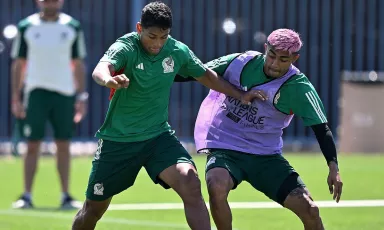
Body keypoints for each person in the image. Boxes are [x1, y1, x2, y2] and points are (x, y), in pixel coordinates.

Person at [71, 2, 265, 230]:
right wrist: (109, 79)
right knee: (93, 210)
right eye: (152, 36)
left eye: (163, 37)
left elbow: (207, 76)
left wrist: (240, 95)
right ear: (139, 28)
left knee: (190, 181)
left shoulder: (176, 50)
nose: (157, 44)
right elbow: (100, 68)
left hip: (158, 137)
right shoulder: (126, 46)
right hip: (119, 141)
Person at [191, 28, 343, 230]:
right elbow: (198, 72)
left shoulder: (298, 87)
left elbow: (321, 128)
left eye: (283, 59)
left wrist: (333, 167)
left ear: (295, 58)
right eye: (271, 56)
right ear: (265, 48)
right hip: (226, 147)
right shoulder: (241, 62)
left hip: (265, 156)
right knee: (216, 186)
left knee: (310, 209)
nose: (274, 64)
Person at [10, 0, 87, 209]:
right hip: (35, 92)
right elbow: (18, 63)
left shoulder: (72, 26)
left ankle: (66, 195)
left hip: (64, 93)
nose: (50, 2)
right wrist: (16, 97)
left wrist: (81, 96)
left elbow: (78, 62)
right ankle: (26, 196)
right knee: (32, 144)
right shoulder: (27, 26)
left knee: (63, 144)